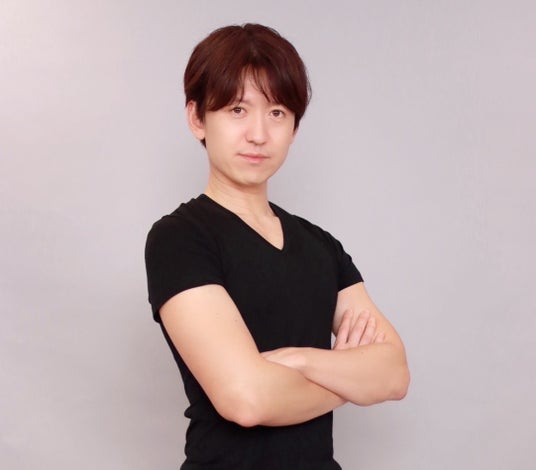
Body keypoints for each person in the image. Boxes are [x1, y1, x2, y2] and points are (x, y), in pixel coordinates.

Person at [145, 23, 409, 469]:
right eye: (237, 109)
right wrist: (350, 379)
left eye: (277, 112)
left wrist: (301, 360)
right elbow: (246, 399)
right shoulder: (180, 239)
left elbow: (394, 374)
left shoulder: (321, 246)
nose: (258, 134)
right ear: (197, 119)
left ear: (294, 127)